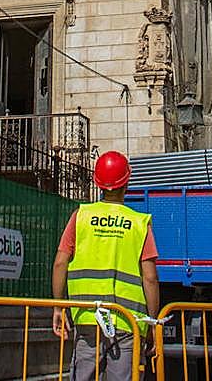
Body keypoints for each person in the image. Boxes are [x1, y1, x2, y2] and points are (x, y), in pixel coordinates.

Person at [51, 151, 160, 380]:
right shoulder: (139, 223)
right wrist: (152, 323)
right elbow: (150, 278)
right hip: (127, 323)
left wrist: (59, 308)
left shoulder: (80, 216)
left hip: (88, 319)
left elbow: (61, 262)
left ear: (97, 183)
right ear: (126, 183)